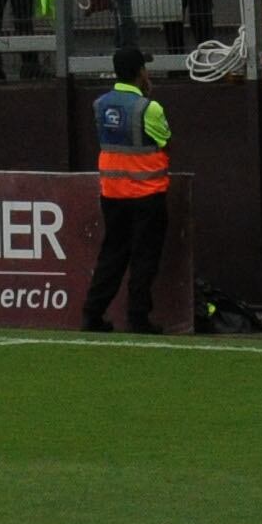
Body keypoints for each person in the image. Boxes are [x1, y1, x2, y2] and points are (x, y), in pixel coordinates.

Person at [83, 53, 172, 332]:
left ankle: (93, 313)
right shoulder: (149, 108)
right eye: (145, 68)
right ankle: (138, 317)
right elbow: (164, 140)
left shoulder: (100, 105)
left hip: (112, 194)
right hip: (147, 193)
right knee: (144, 257)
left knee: (112, 254)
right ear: (139, 72)